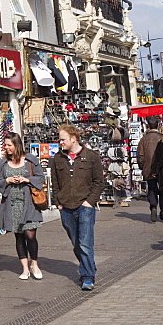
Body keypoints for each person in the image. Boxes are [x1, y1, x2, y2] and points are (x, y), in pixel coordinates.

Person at [50, 124, 104, 290]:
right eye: (60, 139)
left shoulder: (91, 156)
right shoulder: (58, 158)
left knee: (85, 242)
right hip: (66, 206)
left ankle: (87, 276)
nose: (61, 143)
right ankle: (89, 267)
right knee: (76, 243)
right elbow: (55, 182)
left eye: (63, 139)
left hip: (84, 206)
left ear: (73, 139)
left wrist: (90, 202)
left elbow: (99, 182)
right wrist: (57, 202)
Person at [0, 133, 45, 280]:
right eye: (5, 145)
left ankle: (34, 263)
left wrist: (26, 179)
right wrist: (8, 180)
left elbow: (40, 178)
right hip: (12, 203)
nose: (6, 147)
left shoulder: (30, 160)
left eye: (9, 145)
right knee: (19, 236)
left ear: (17, 145)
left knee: (30, 235)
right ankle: (24, 268)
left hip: (29, 202)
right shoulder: (3, 163)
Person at [136, 116, 163, 222]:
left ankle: (153, 205)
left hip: (149, 168)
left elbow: (140, 156)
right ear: (158, 125)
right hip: (162, 169)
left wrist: (142, 166)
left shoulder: (143, 140)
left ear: (148, 126)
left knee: (152, 188)